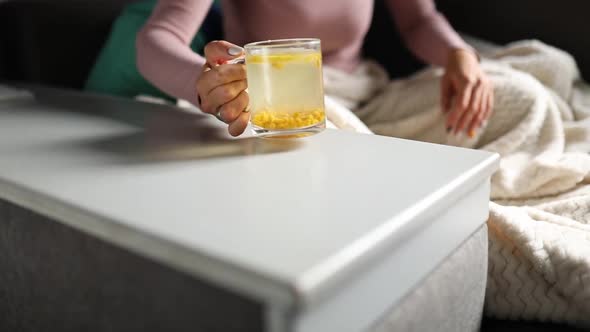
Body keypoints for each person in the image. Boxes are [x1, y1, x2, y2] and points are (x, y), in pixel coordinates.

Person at [136, 0, 494, 137]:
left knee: (519, 96)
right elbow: (158, 38)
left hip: (368, 95)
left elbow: (419, 20)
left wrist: (458, 54)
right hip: (274, 111)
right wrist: (206, 83)